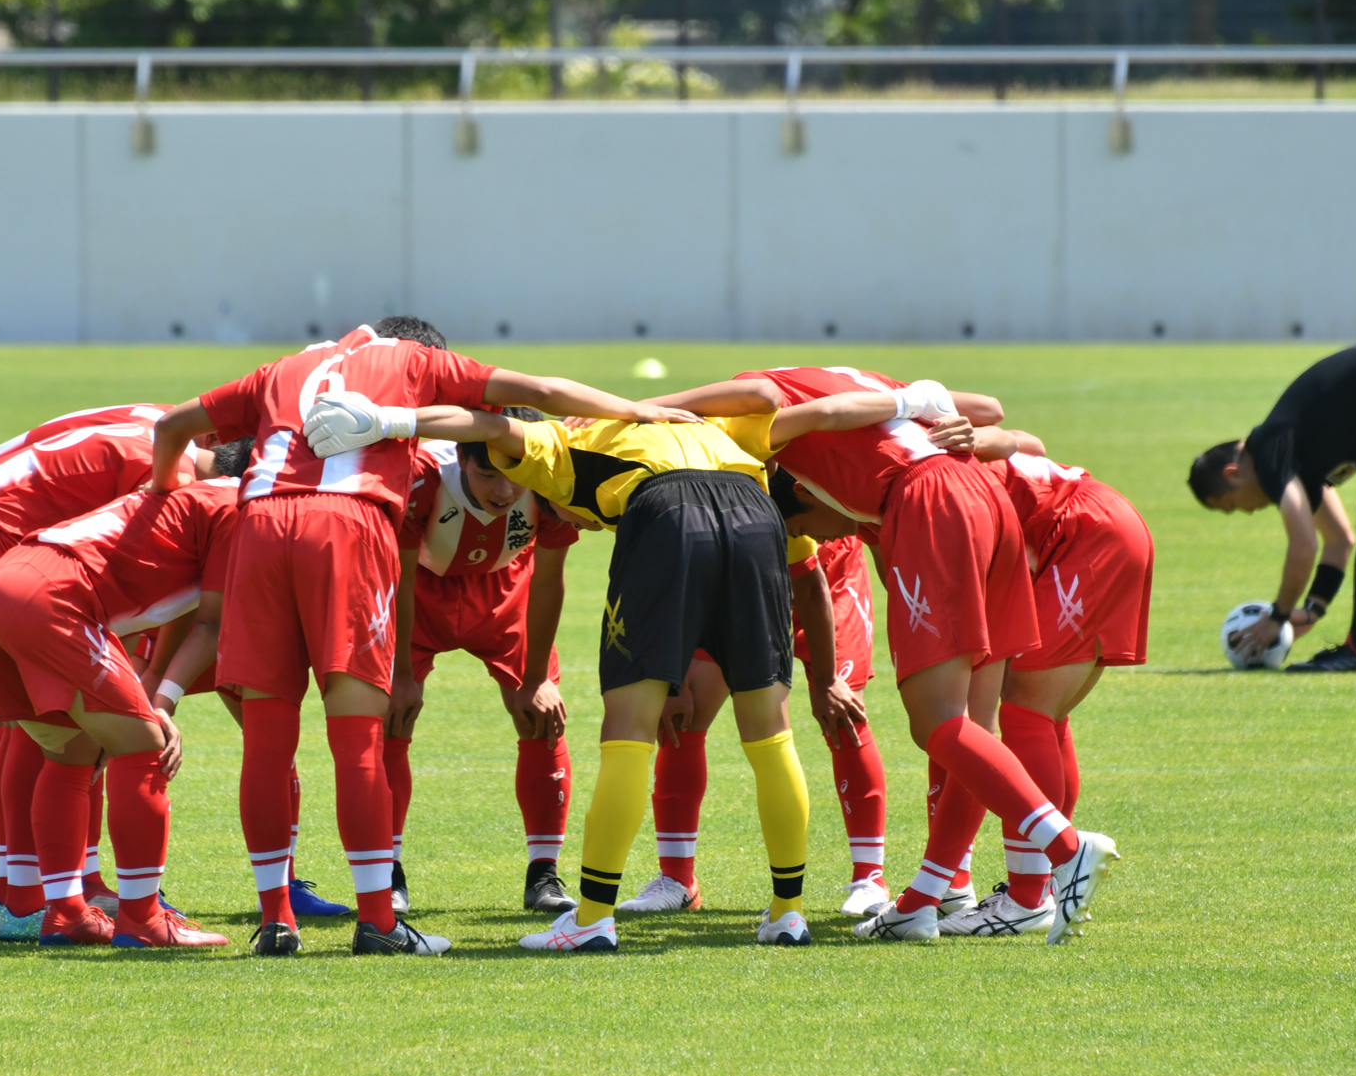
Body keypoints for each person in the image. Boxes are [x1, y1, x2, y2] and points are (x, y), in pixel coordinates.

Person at [149, 315, 696, 958]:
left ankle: (276, 921)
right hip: (348, 525)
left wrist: (163, 491)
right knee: (358, 735)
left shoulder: (281, 368)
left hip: (261, 526)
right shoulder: (415, 364)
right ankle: (380, 921)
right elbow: (540, 393)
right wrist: (636, 410)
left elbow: (171, 429)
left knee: (269, 740)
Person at [322, 384, 926, 954]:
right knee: (770, 732)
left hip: (665, 514)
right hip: (755, 515)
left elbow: (478, 424)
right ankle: (786, 913)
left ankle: (590, 919)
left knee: (629, 731)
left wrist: (387, 421)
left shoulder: (555, 444)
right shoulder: (712, 425)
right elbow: (768, 398)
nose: (577, 526)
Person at [660, 368, 1119, 946]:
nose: (827, 542)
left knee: (939, 723)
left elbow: (763, 398)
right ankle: (927, 897)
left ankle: (1066, 849)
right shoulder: (853, 384)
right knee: (977, 727)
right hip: (983, 496)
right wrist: (921, 404)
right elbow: (990, 411)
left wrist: (642, 406)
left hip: (930, 500)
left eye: (806, 530)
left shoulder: (757, 417)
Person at [0, 406, 215, 941]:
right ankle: (25, 899)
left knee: (56, 729)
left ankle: (57, 891)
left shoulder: (164, 433)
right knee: (51, 724)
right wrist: (150, 699)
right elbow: (133, 584)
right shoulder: (175, 476)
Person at [0, 457, 254, 949]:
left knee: (71, 752)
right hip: (53, 595)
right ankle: (143, 921)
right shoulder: (239, 506)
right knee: (145, 747)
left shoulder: (196, 499)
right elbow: (210, 622)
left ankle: (66, 914)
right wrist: (163, 704)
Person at [927, 430, 1154, 937]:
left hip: (1083, 533)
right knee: (1045, 717)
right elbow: (1031, 440)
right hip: (1101, 518)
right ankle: (1043, 885)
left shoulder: (912, 479)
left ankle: (1029, 896)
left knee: (1025, 712)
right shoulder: (923, 444)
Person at [623, 528, 892, 920]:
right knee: (684, 714)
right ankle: (677, 879)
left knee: (843, 716)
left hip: (829, 566)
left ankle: (870, 878)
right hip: (744, 564)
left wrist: (826, 680)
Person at [385, 416, 583, 915]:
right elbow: (399, 577)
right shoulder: (421, 478)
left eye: (515, 472)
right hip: (420, 597)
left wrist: (536, 679)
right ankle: (387, 873)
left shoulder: (554, 476)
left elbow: (548, 579)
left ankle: (544, 875)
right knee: (387, 720)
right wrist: (400, 674)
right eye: (488, 474)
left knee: (543, 721)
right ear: (465, 459)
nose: (505, 489)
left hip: (505, 590)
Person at [1189, 343, 1356, 672]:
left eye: (1232, 506)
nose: (1247, 512)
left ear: (1233, 475)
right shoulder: (1293, 455)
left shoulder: (1269, 452)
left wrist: (1277, 616)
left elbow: (1304, 543)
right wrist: (1312, 610)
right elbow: (1339, 540)